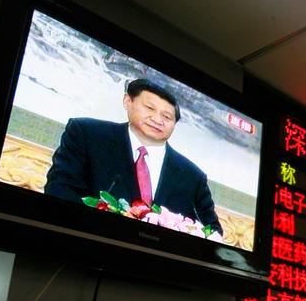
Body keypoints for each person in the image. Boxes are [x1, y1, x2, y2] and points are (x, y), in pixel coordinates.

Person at [45, 78, 222, 234]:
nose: (157, 119)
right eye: (149, 108)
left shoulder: (193, 176)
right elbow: (60, 190)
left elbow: (212, 232)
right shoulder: (87, 133)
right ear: (128, 101)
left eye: (167, 117)